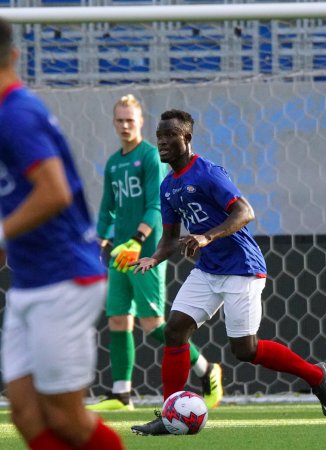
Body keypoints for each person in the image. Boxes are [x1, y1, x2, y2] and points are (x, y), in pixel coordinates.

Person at [0, 16, 123, 450]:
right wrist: (7, 247)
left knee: (66, 415)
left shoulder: (17, 115)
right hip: (31, 279)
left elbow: (55, 192)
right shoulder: (7, 116)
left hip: (63, 279)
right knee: (26, 414)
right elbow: (37, 200)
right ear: (14, 55)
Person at [129, 109, 326, 436]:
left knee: (245, 351)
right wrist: (152, 258)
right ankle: (170, 415)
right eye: (160, 136)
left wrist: (206, 236)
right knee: (174, 331)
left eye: (170, 135)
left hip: (242, 267)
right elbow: (169, 239)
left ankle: (315, 375)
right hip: (208, 269)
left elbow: (245, 212)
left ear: (187, 139)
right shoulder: (168, 187)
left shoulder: (208, 174)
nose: (163, 142)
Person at [88, 95, 223, 411]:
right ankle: (122, 395)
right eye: (120, 120)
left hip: (144, 250)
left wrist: (137, 240)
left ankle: (207, 371)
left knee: (152, 325)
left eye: (130, 120)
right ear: (114, 122)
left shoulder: (150, 157)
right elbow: (107, 208)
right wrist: (100, 241)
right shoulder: (113, 162)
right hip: (120, 253)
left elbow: (154, 206)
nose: (125, 125)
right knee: (118, 320)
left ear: (140, 123)